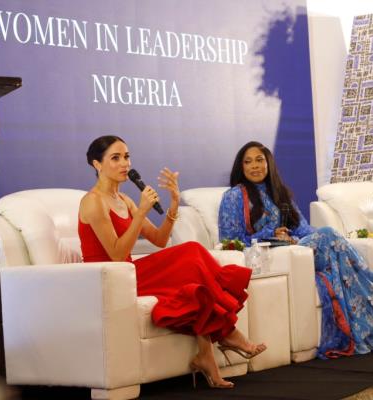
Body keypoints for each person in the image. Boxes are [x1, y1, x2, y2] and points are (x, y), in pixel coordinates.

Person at [78, 135, 266, 389]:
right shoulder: (92, 202)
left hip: (128, 272)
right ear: (96, 164)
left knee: (193, 259)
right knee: (191, 255)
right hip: (109, 279)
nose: (125, 164)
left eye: (126, 157)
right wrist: (142, 211)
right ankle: (228, 334)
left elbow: (159, 239)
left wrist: (174, 204)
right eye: (115, 158)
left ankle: (206, 356)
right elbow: (114, 252)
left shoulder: (125, 200)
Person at [218, 141, 373, 359]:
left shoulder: (280, 193)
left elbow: (304, 229)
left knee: (332, 246)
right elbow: (230, 240)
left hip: (297, 250)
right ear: (241, 166)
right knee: (329, 234)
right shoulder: (235, 196)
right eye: (248, 162)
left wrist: (292, 238)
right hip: (270, 255)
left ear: (269, 163)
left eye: (259, 160)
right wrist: (269, 235)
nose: (254, 166)